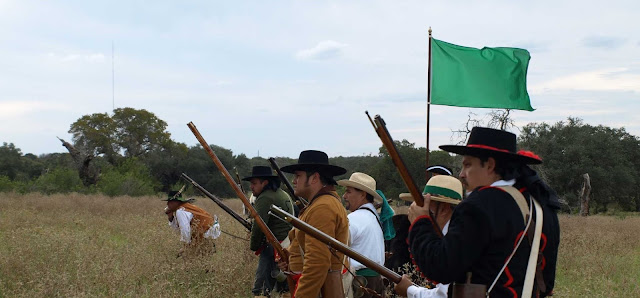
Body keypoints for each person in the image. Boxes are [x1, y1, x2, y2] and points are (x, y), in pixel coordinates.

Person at [400, 127, 559, 297]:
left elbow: (441, 268)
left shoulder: (479, 204)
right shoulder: (541, 206)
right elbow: (546, 284)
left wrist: (420, 222)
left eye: (468, 165)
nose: (461, 174)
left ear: (490, 165)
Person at [278, 150, 350, 297]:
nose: (294, 181)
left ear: (314, 178)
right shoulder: (319, 204)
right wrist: (291, 257)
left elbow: (317, 264)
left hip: (322, 290)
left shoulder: (322, 207)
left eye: (298, 176)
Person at [393, 175, 464, 298]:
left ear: (444, 209)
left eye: (426, 208)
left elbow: (443, 296)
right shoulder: (450, 236)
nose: (420, 211)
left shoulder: (455, 243)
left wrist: (409, 290)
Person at [243, 166, 295, 298]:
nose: (251, 187)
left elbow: (259, 226)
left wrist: (254, 246)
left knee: (260, 290)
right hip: (287, 246)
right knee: (285, 289)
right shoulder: (282, 193)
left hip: (273, 247)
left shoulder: (265, 197)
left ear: (265, 183)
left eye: (254, 183)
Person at [338, 172, 386, 298]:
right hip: (375, 281)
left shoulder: (355, 218)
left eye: (349, 192)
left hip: (360, 282)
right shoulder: (372, 216)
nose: (344, 196)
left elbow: (337, 247)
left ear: (363, 194)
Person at [163, 190, 221, 255]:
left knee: (194, 255)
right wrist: (170, 216)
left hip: (207, 231)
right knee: (201, 255)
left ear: (176, 202)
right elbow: (179, 228)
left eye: (170, 202)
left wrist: (185, 246)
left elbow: (185, 229)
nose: (167, 204)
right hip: (211, 229)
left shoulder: (180, 211)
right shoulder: (183, 207)